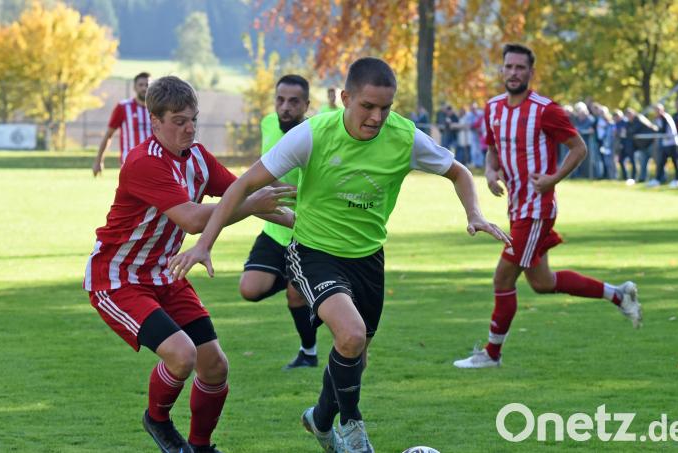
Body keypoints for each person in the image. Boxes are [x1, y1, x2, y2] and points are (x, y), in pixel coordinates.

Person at [168, 57, 511, 453]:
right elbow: (243, 184)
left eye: (386, 107)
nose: (377, 117)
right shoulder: (313, 135)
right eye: (367, 106)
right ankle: (352, 424)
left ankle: (320, 418)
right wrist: (205, 242)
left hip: (368, 258)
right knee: (351, 335)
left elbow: (458, 171)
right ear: (345, 98)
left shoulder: (403, 137)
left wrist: (474, 213)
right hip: (314, 251)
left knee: (355, 355)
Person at [83, 76, 295, 453]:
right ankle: (158, 420)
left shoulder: (197, 157)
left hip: (167, 273)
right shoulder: (143, 162)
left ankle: (199, 447)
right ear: (155, 122)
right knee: (183, 355)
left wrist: (303, 221)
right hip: (118, 279)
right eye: (179, 121)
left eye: (193, 119)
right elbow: (196, 220)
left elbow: (241, 193)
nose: (190, 128)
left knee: (215, 366)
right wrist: (252, 206)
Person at [453, 43, 643, 369]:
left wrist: (553, 178)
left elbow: (579, 148)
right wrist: (492, 172)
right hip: (517, 208)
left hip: (537, 210)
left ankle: (491, 355)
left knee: (502, 280)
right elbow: (493, 148)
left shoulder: (546, 110)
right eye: (508, 67)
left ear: (531, 72)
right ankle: (618, 294)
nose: (513, 73)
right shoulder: (493, 108)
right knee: (543, 283)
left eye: (520, 68)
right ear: (502, 70)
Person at [240, 74, 319, 369]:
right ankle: (305, 287)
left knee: (295, 295)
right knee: (250, 289)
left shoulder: (315, 134)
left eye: (293, 102)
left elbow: (322, 188)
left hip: (304, 230)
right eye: (280, 100)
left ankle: (308, 353)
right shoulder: (268, 124)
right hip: (274, 227)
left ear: (306, 105)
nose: (285, 107)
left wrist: (296, 192)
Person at [92, 72, 152, 176]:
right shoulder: (123, 107)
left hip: (154, 163)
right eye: (141, 85)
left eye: (147, 85)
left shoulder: (158, 109)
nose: (144, 88)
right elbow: (108, 135)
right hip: (130, 164)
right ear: (134, 87)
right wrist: (99, 160)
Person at [649, 103, 678, 188]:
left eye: (658, 110)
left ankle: (677, 180)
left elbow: (663, 130)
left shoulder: (665, 117)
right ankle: (657, 180)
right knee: (661, 162)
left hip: (673, 143)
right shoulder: (659, 118)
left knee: (675, 162)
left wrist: (655, 129)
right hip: (666, 144)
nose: (657, 112)